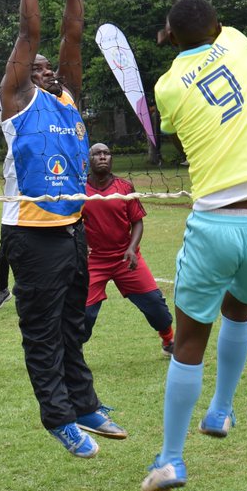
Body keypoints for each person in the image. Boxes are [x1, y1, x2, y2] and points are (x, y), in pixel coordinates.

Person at [141, 0, 247, 491]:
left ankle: (170, 461)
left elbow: (179, 91)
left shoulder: (166, 87)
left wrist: (174, 45)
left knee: (187, 342)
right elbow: (205, 37)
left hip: (217, 226)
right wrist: (185, 35)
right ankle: (222, 411)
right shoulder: (238, 42)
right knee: (239, 309)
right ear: (218, 26)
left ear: (170, 37)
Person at [0, 0, 124, 459]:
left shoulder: (68, 96)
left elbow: (72, 38)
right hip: (31, 234)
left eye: (51, 68)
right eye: (38, 67)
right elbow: (30, 35)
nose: (46, 70)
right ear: (25, 73)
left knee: (74, 325)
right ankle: (58, 418)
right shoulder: (16, 99)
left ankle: (85, 403)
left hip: (73, 231)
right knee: (43, 333)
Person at [80, 143, 175, 357]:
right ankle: (73, 352)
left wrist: (132, 248)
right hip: (94, 260)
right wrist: (80, 244)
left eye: (106, 153)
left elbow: (138, 222)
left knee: (155, 304)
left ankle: (169, 341)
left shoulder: (124, 187)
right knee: (83, 312)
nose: (103, 157)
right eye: (97, 154)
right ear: (88, 160)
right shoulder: (79, 189)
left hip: (126, 257)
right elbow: (73, 220)